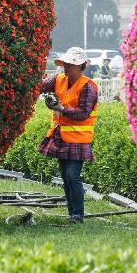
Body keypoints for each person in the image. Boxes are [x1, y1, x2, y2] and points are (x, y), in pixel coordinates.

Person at [37, 46, 99, 224]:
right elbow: (40, 86)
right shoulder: (59, 80)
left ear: (80, 67)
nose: (66, 67)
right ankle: (72, 214)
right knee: (65, 176)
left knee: (72, 176)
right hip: (61, 136)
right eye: (65, 64)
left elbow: (84, 113)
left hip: (79, 139)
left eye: (70, 65)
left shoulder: (88, 87)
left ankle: (78, 215)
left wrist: (62, 109)